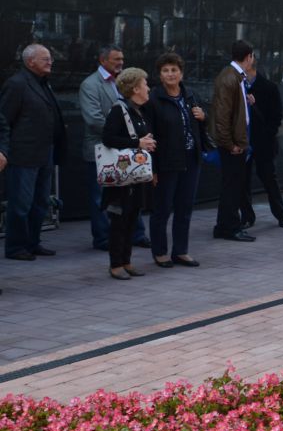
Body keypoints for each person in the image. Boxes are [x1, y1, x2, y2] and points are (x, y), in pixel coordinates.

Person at [79, 45, 148, 251]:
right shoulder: (90, 85)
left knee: (132, 191)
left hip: (127, 149)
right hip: (101, 151)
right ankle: (103, 238)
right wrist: (124, 134)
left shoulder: (125, 82)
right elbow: (93, 119)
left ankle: (136, 234)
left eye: (122, 59)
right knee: (100, 197)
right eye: (116, 59)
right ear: (103, 60)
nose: (121, 62)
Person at [2, 44, 67, 261]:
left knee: (40, 203)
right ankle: (16, 247)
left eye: (50, 58)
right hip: (23, 155)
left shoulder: (43, 83)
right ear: (30, 62)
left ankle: (32, 242)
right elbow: (4, 120)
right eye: (45, 59)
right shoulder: (17, 84)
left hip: (45, 153)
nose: (50, 62)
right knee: (21, 204)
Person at [145, 53, 206, 268]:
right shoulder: (153, 99)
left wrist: (203, 117)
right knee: (162, 209)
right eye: (166, 70)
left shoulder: (191, 95)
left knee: (185, 207)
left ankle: (180, 251)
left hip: (191, 159)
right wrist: (153, 168)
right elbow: (149, 135)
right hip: (166, 162)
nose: (170, 74)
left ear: (181, 73)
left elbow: (200, 126)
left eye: (174, 70)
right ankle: (160, 252)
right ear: (160, 75)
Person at [100, 68, 157, 280]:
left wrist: (146, 143)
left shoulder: (139, 111)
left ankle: (126, 261)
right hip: (122, 178)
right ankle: (115, 264)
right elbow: (108, 139)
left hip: (136, 176)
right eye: (144, 84)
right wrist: (137, 143)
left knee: (132, 218)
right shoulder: (119, 110)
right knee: (119, 221)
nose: (148, 87)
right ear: (135, 89)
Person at [210, 40, 256, 242]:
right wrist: (230, 144)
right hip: (232, 144)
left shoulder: (236, 77)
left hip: (237, 141)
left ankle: (226, 225)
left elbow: (232, 110)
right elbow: (222, 116)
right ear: (249, 57)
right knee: (232, 186)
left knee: (233, 186)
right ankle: (229, 227)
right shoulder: (230, 78)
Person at [240, 63, 283, 229]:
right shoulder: (238, 87)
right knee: (243, 180)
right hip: (244, 140)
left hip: (263, 142)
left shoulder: (269, 87)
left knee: (269, 179)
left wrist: (268, 134)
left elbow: (276, 116)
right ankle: (247, 216)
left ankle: (281, 214)